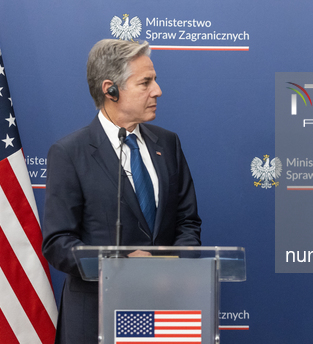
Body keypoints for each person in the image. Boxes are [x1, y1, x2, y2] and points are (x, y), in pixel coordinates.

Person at [42, 39, 202, 343]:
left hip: (164, 312)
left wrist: (177, 264)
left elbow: (187, 222)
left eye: (154, 80)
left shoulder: (167, 144)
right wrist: (121, 263)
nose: (158, 90)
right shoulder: (70, 153)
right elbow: (58, 243)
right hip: (97, 317)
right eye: (146, 82)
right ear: (110, 89)